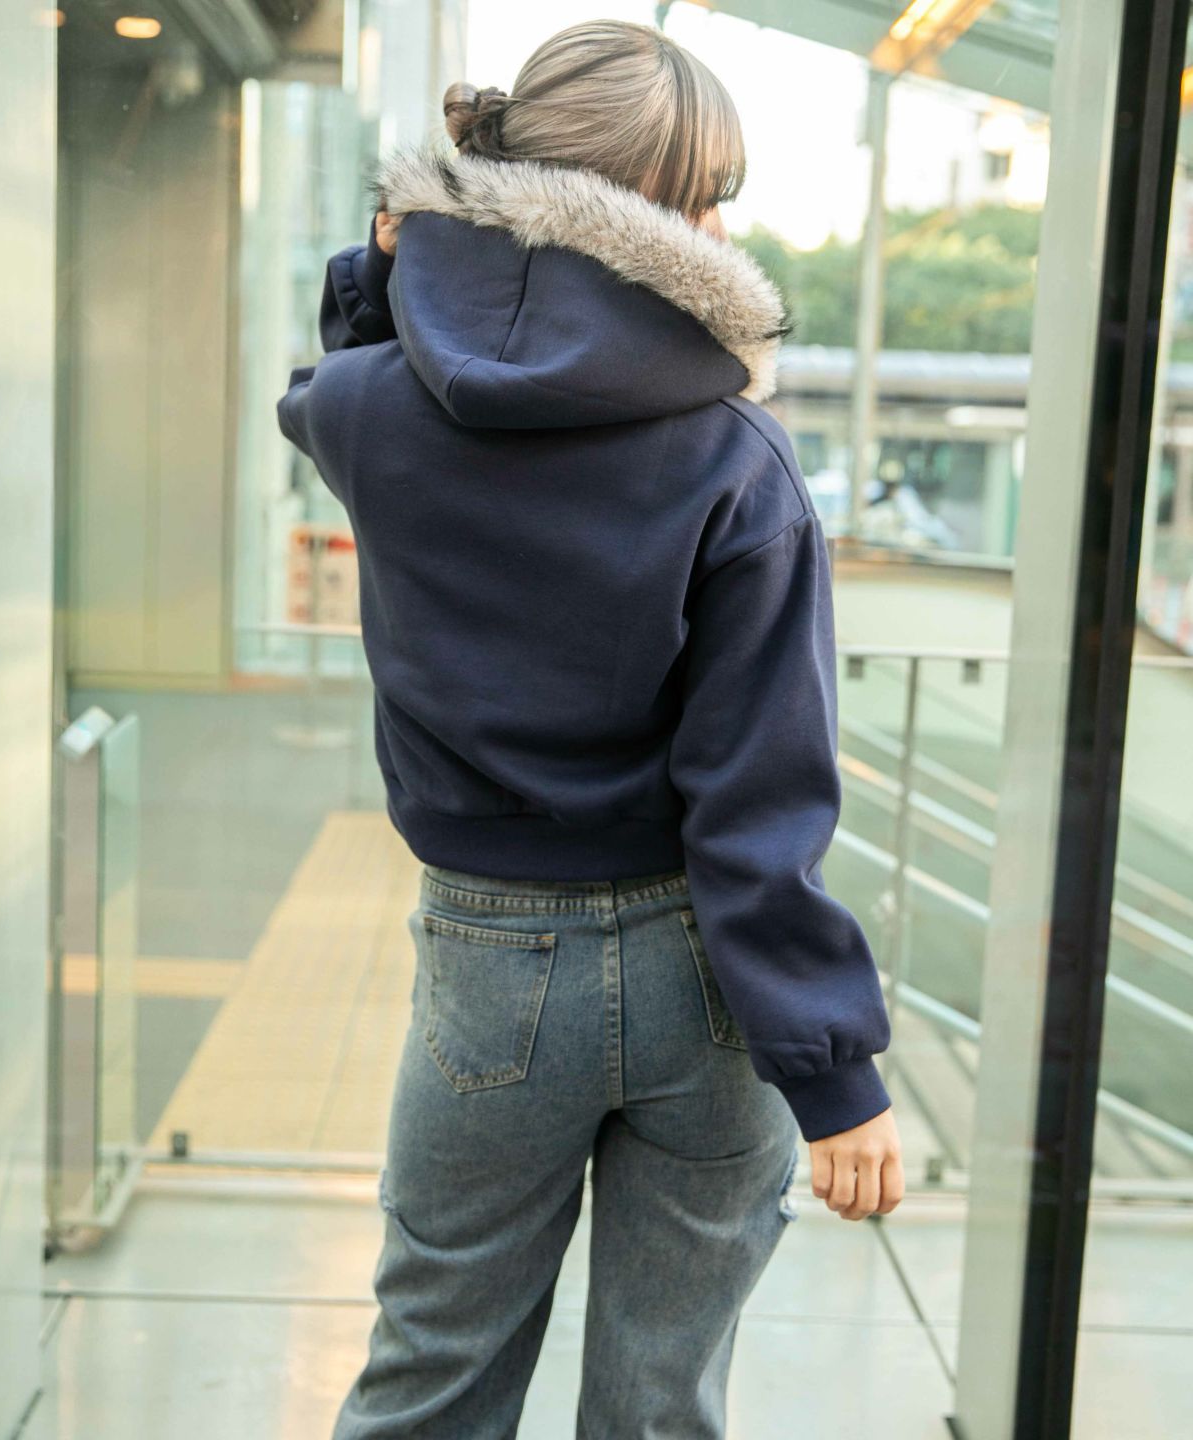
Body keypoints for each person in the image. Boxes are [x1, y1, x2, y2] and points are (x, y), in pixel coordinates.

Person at [277, 18, 904, 1439]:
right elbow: (762, 794)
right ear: (658, 218)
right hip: (705, 976)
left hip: (489, 965)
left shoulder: (367, 413)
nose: (721, 227)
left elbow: (336, 375)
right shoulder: (737, 455)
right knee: (660, 1400)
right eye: (707, 198)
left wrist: (391, 269)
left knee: (431, 1376)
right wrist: (834, 1072)